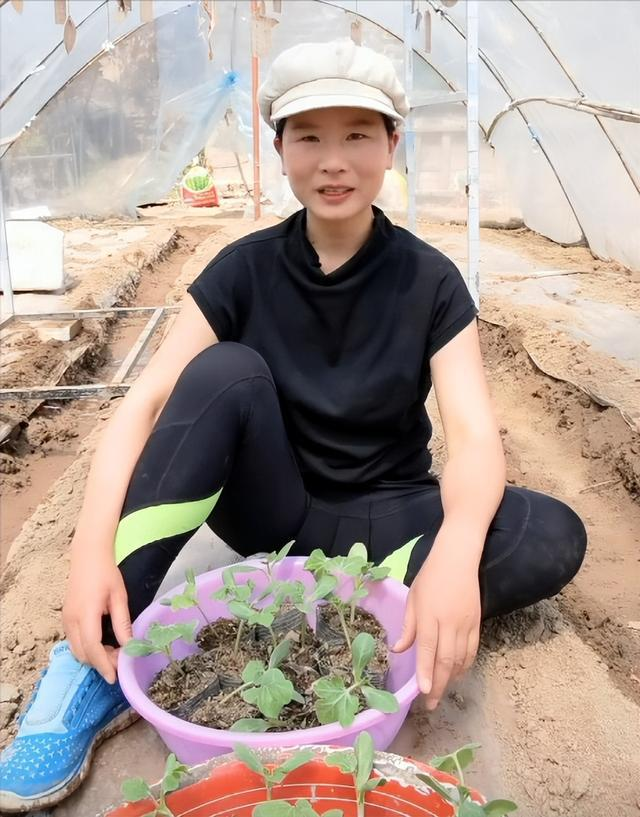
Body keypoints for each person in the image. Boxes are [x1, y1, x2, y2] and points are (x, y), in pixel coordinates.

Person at [0, 39, 587, 812]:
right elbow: (141, 406)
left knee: (550, 535)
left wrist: (453, 555)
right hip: (278, 509)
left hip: (389, 516)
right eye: (309, 135)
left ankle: (376, 605)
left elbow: (476, 439)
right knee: (223, 372)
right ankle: (93, 664)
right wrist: (87, 555)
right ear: (279, 149)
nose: (333, 160)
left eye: (358, 134)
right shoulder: (242, 270)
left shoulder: (430, 281)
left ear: (391, 146)